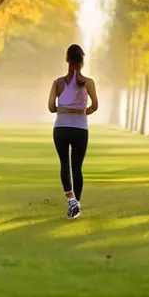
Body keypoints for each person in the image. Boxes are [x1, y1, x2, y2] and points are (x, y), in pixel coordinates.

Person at [47, 44, 99, 219]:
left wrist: (63, 108)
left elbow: (51, 107)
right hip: (80, 129)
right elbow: (95, 106)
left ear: (67, 60)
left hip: (61, 128)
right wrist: (83, 112)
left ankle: (71, 201)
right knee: (77, 168)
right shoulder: (88, 83)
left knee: (64, 165)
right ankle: (76, 204)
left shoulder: (58, 83)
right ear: (82, 62)